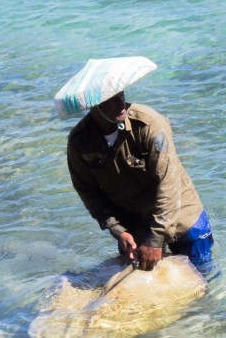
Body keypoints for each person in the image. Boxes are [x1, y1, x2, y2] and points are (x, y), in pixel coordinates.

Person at [65, 90, 213, 272]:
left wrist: (155, 239)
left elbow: (168, 183)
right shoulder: (80, 141)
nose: (120, 102)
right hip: (134, 226)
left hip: (181, 215)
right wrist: (118, 230)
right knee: (143, 287)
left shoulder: (149, 124)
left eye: (120, 94)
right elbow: (88, 191)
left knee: (202, 279)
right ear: (93, 106)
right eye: (110, 100)